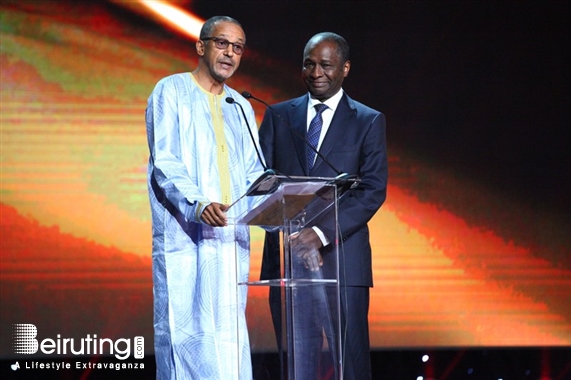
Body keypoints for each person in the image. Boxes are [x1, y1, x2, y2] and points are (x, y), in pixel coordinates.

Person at [259, 32, 388, 380]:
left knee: (351, 363)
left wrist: (318, 235)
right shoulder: (278, 115)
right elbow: (260, 184)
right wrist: (288, 231)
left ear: (345, 69)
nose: (316, 72)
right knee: (296, 364)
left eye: (326, 65)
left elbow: (373, 190)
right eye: (309, 63)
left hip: (342, 262)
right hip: (287, 263)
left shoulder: (367, 121)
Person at [145, 16, 265, 380]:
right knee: (187, 342)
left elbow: (253, 171)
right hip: (187, 239)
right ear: (201, 46)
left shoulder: (240, 106)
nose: (230, 53)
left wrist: (274, 200)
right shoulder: (171, 91)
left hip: (230, 242)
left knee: (228, 343)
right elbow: (164, 164)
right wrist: (198, 205)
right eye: (222, 43)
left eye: (238, 47)